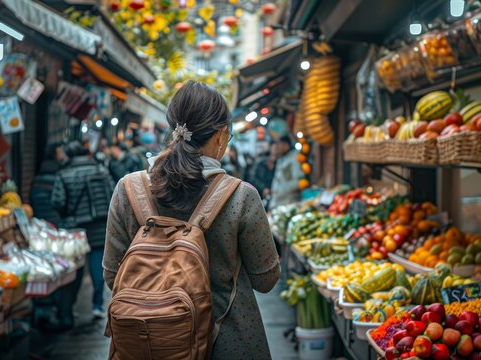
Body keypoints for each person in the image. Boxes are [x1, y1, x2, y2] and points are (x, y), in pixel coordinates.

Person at [103, 81, 280, 359]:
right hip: (229, 342)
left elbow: (112, 275)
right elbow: (266, 279)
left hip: (148, 342)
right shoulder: (241, 196)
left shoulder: (128, 190)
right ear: (221, 135)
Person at [52, 141, 114, 325]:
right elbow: (112, 193)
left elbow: (57, 201)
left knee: (75, 270)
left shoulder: (64, 173)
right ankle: (97, 305)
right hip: (99, 226)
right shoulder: (101, 170)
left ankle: (69, 311)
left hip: (74, 229)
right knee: (97, 267)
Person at [29, 143, 66, 225]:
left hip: (38, 221)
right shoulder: (58, 176)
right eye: (61, 152)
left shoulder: (38, 175)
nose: (63, 156)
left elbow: (31, 199)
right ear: (55, 155)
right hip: (55, 222)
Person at [268, 136, 302, 210]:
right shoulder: (281, 158)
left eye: (278, 144)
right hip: (277, 203)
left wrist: (281, 192)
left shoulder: (294, 158)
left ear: (286, 145)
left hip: (288, 203)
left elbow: (298, 182)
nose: (277, 147)